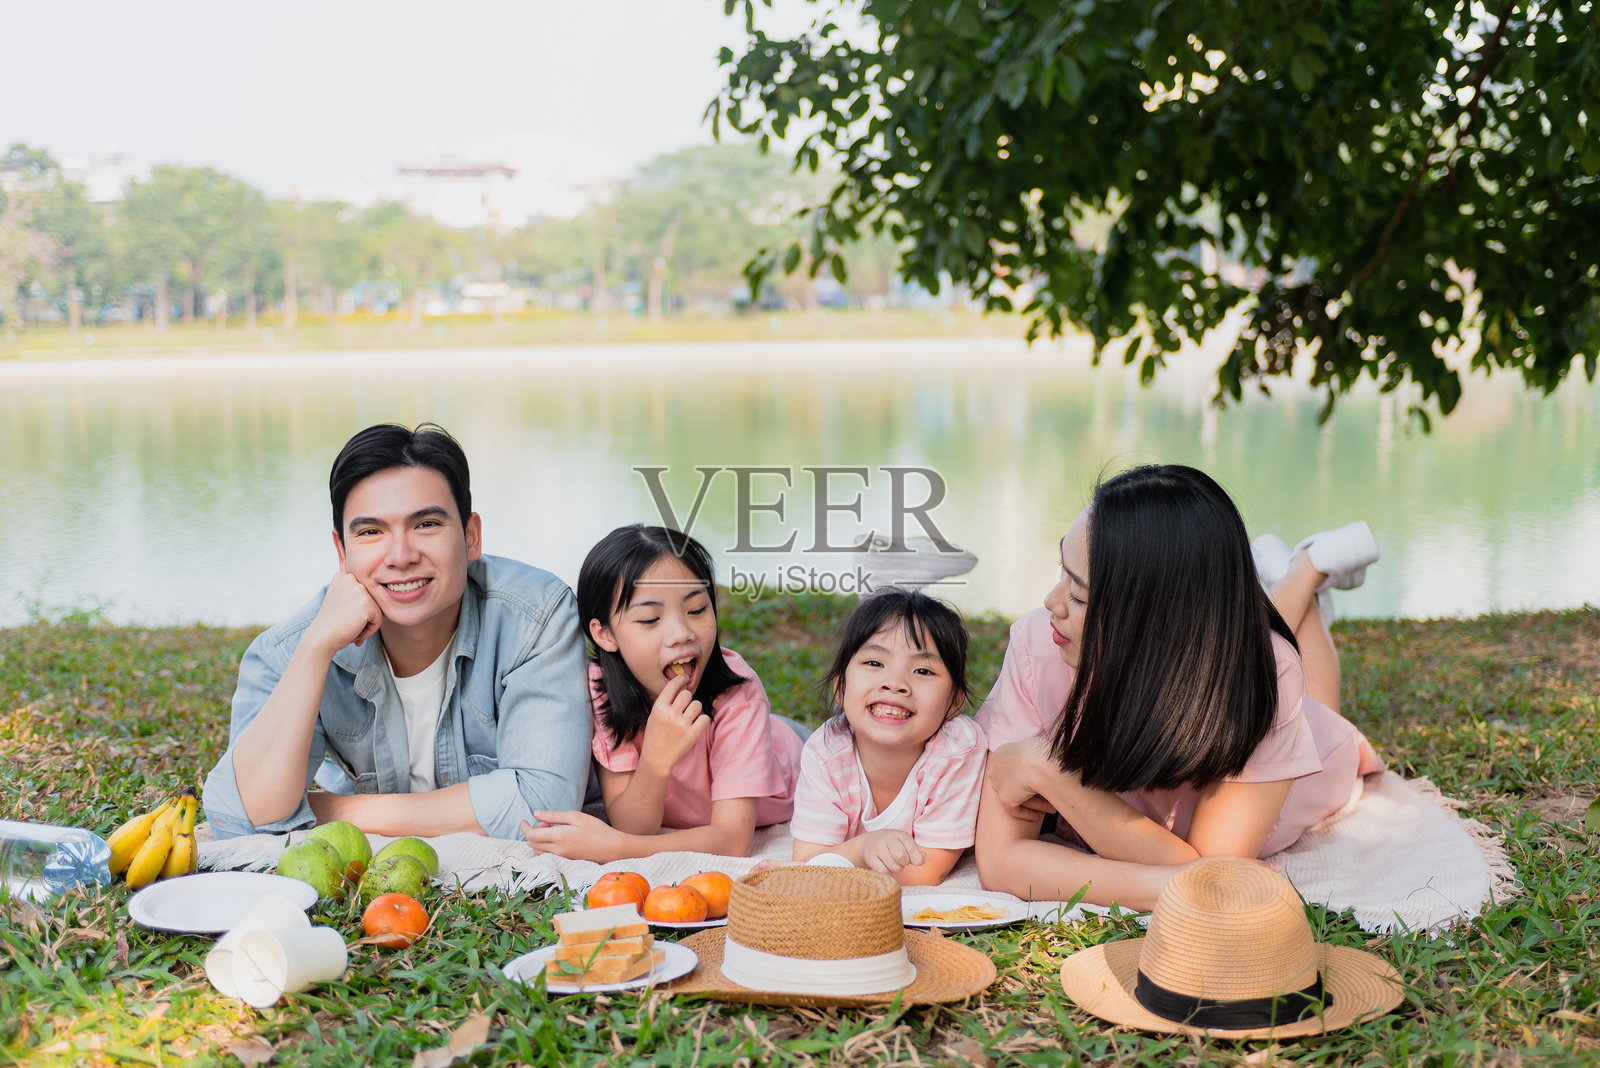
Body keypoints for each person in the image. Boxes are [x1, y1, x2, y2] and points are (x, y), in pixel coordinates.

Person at [974, 464, 1384, 912]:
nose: (1051, 603)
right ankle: (1295, 575)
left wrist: (1053, 770)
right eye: (1063, 573)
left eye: (1079, 594)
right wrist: (1180, 882)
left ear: (1154, 621)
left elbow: (1212, 866)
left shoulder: (1264, 674)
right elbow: (1000, 862)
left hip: (1311, 764)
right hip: (1206, 665)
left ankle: (1305, 570)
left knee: (1313, 696)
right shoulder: (1039, 646)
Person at [202, 423, 591, 841]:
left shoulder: (534, 618)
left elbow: (543, 804)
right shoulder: (291, 649)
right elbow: (243, 819)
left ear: (471, 536)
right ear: (342, 552)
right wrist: (316, 649)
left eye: (426, 524)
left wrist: (332, 808)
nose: (401, 556)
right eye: (371, 532)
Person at [521, 525, 803, 861]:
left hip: (790, 757)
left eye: (697, 610)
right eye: (650, 618)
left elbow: (732, 841)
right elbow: (634, 826)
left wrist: (614, 848)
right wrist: (656, 756)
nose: (681, 633)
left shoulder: (737, 695)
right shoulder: (602, 688)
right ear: (605, 634)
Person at [790, 587, 986, 885]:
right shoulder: (826, 752)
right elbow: (810, 863)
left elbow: (927, 870)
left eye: (922, 670)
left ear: (954, 703)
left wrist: (847, 856)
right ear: (840, 687)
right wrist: (862, 847)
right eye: (874, 663)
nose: (895, 683)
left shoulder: (958, 750)